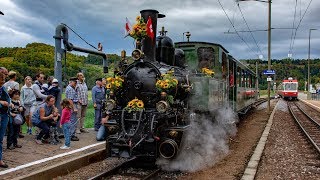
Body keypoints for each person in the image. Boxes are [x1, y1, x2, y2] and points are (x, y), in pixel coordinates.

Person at [0, 71, 10, 168]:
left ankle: (0, 159)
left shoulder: (3, 88)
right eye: (2, 79)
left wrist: (8, 103)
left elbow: (7, 99)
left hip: (4, 114)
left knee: (0, 138)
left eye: (4, 79)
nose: (3, 81)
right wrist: (1, 102)